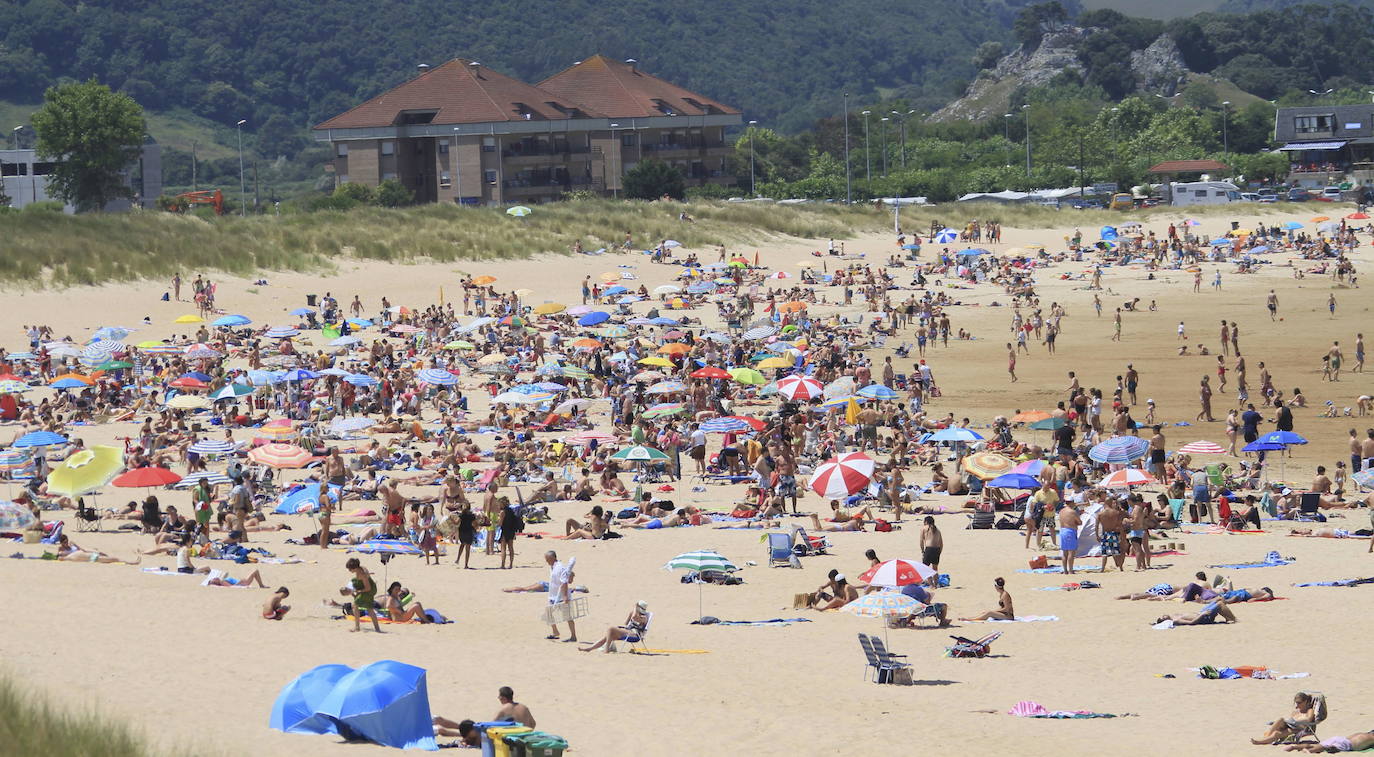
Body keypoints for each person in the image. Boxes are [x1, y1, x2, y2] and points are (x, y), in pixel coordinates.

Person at [580, 600, 650, 653]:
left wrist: (635, 608)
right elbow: (626, 623)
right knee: (608, 636)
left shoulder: (644, 618)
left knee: (611, 629)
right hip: (628, 631)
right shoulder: (634, 614)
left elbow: (634, 617)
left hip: (635, 635)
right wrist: (631, 613)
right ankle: (590, 649)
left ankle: (606, 650)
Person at [1252, 692, 1321, 745]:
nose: (1297, 705)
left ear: (1305, 701)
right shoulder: (1297, 711)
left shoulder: (1309, 710)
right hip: (1290, 725)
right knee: (1280, 719)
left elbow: (1309, 719)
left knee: (1276, 733)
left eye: (1299, 703)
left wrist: (1296, 721)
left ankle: (1260, 741)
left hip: (1298, 729)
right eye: (1296, 703)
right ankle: (1266, 737)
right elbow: (1290, 719)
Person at [544, 550, 577, 642]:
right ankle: (555, 632)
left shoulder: (560, 567)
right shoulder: (553, 567)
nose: (547, 561)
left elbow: (564, 582)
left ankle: (573, 636)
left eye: (548, 559)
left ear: (553, 558)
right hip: (553, 595)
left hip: (561, 596)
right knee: (549, 614)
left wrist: (565, 597)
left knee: (568, 617)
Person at [346, 557, 383, 633]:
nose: (349, 571)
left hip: (369, 590)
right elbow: (366, 572)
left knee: (356, 605)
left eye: (350, 569)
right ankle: (377, 628)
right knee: (369, 608)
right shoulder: (361, 569)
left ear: (355, 568)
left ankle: (357, 627)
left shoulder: (362, 574)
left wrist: (358, 591)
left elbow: (368, 588)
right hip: (368, 589)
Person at [1155, 599, 1237, 627]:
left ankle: (1227, 617)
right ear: (1165, 621)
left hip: (1200, 613)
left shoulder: (1174, 616)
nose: (1163, 615)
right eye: (1163, 617)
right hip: (1204, 617)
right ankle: (1234, 619)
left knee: (1219, 599)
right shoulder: (1175, 620)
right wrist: (1203, 614)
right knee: (1220, 604)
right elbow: (1191, 622)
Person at [918, 516, 942, 585]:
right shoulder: (937, 530)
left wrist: (922, 550)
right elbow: (941, 543)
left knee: (926, 568)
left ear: (926, 522)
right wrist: (939, 552)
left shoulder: (924, 528)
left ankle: (931, 585)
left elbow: (921, 541)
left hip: (929, 549)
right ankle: (936, 584)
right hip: (937, 549)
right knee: (935, 569)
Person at [1058, 503, 1081, 574]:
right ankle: (1070, 570)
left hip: (1062, 531)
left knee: (1064, 552)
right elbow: (1079, 522)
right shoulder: (1072, 512)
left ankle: (1065, 570)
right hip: (1070, 531)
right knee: (1071, 552)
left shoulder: (1061, 511)